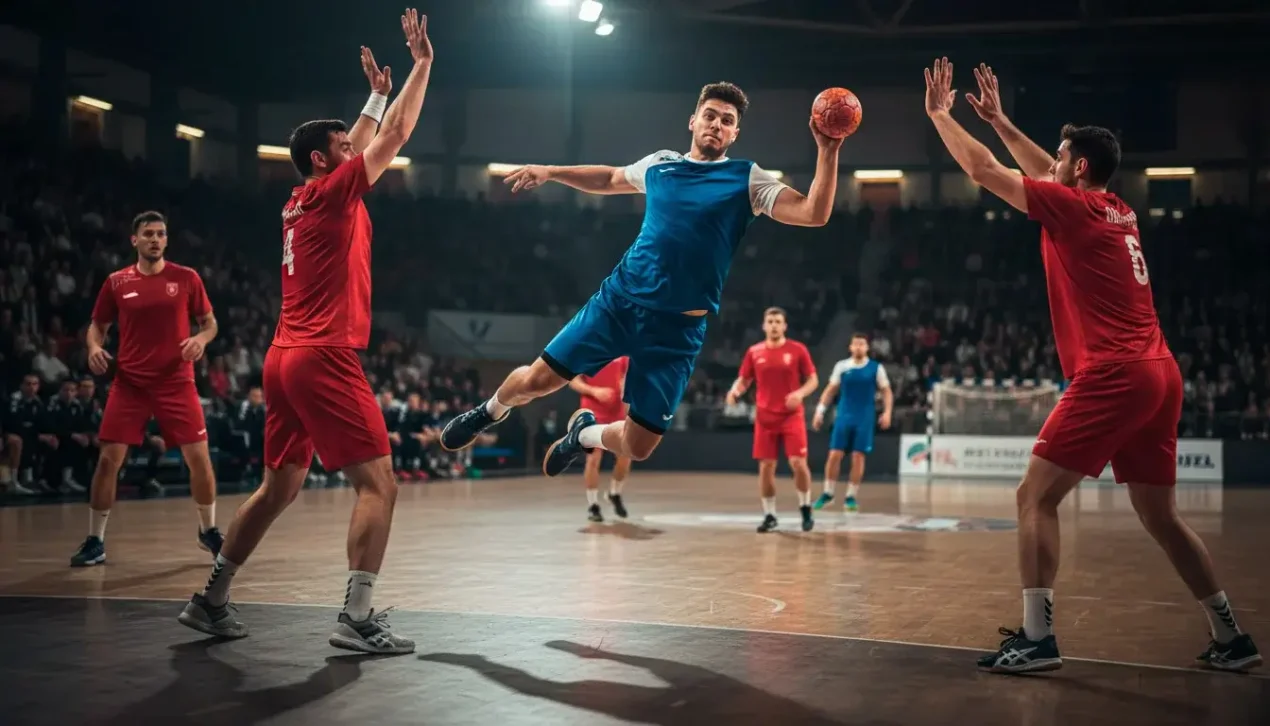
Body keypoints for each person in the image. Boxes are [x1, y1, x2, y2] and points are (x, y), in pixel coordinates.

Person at [923, 57, 1260, 673]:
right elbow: (1041, 171)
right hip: (1160, 372)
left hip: (1114, 373)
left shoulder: (1072, 209)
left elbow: (982, 170)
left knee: (1033, 497)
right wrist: (999, 119)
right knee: (1161, 516)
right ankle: (1231, 636)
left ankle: (1037, 639)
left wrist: (942, 116)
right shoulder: (1117, 210)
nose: (1050, 164)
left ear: (1078, 168)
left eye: (1060, 157)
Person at [177, 11, 435, 655]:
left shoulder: (301, 199)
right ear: (324, 160)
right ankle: (357, 617)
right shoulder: (334, 193)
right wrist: (422, 65)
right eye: (345, 145)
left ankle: (210, 601)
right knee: (380, 485)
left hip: (283, 355)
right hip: (323, 354)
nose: (356, 146)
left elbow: (365, 134)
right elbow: (396, 133)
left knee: (279, 487)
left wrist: (375, 93)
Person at [440, 82, 845, 475]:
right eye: (710, 115)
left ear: (735, 133)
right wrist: (550, 171)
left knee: (639, 445)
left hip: (677, 330)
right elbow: (608, 179)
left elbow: (813, 213)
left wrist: (828, 151)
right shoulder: (661, 164)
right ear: (693, 121)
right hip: (619, 303)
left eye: (727, 120)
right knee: (537, 380)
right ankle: (488, 411)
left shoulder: (747, 179)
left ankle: (584, 436)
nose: (716, 125)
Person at [71, 211, 222, 567]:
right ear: (134, 240)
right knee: (108, 460)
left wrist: (201, 339)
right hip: (130, 383)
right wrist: (93, 348)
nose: (155, 239)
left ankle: (208, 531)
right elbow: (97, 326)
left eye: (161, 234)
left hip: (176, 381)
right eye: (148, 234)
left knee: (199, 459)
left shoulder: (187, 278)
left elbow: (210, 323)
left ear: (166, 240)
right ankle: (95, 540)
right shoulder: (116, 282)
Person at [726, 307, 818, 532]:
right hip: (765, 417)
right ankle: (769, 515)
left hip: (791, 416)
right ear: (764, 326)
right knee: (766, 466)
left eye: (778, 321)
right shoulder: (754, 352)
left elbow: (813, 380)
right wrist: (734, 391)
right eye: (770, 321)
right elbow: (744, 379)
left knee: (798, 463)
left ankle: (805, 508)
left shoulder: (797, 350)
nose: (774, 325)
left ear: (785, 326)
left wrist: (799, 394)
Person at [811, 333, 892, 513]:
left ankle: (850, 496)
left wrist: (887, 412)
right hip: (844, 416)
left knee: (858, 456)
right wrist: (819, 412)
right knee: (834, 454)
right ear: (850, 347)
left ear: (867, 347)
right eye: (855, 344)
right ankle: (828, 493)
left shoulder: (876, 368)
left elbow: (887, 391)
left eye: (862, 344)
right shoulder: (842, 366)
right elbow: (830, 390)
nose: (858, 347)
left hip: (864, 418)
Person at [568, 356, 633, 522]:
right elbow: (573, 380)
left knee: (625, 456)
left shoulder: (623, 352)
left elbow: (625, 376)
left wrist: (625, 390)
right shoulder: (589, 350)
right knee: (593, 458)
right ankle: (593, 505)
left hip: (616, 411)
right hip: (592, 411)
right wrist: (594, 391)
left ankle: (614, 493)